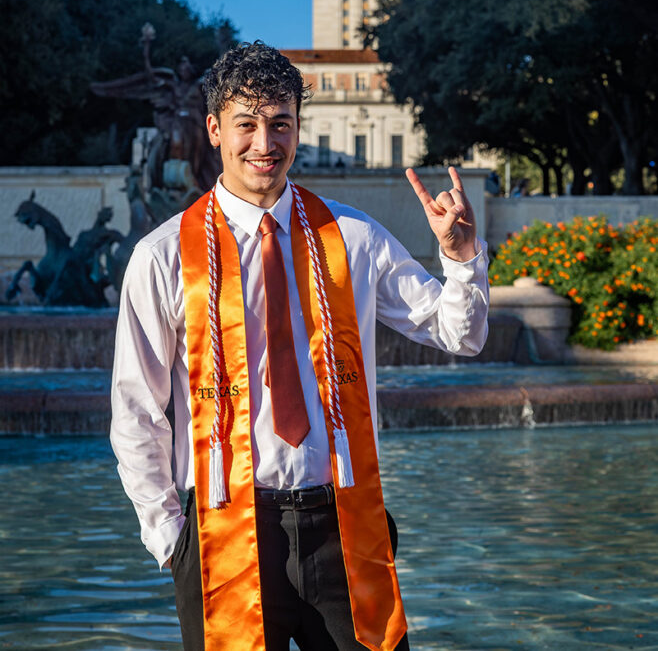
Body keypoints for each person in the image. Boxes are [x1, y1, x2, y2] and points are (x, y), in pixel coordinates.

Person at [110, 41, 489, 651]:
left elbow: (461, 334)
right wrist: (170, 539)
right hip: (224, 529)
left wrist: (461, 258)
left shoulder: (354, 237)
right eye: (246, 124)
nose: (265, 142)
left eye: (280, 123)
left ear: (297, 126)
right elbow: (135, 410)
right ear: (213, 129)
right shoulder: (161, 257)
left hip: (345, 523)